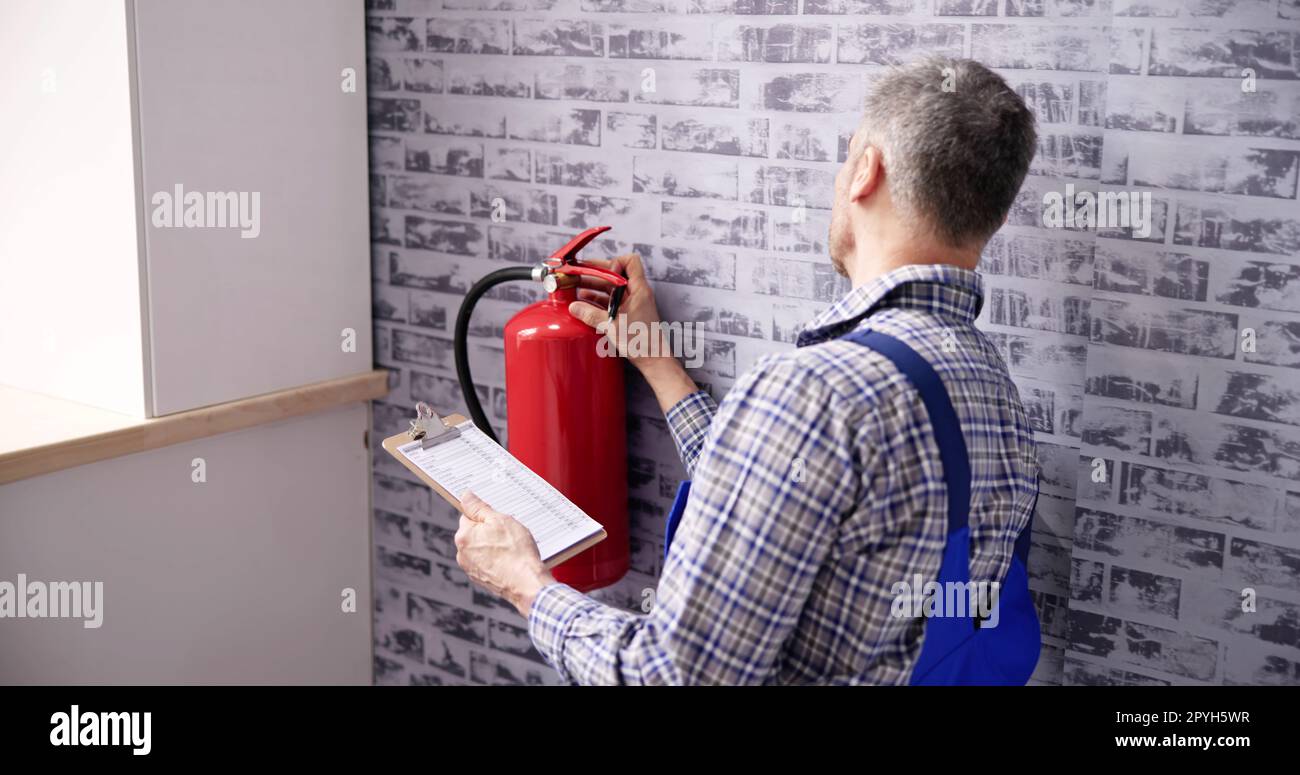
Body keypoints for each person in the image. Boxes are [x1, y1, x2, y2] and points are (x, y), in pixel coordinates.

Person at [453, 56, 1042, 685]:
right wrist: (658, 361)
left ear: (865, 171)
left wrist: (527, 586)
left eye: (848, 157)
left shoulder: (814, 392)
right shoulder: (993, 393)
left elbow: (672, 677)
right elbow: (782, 503)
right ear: (996, 217)